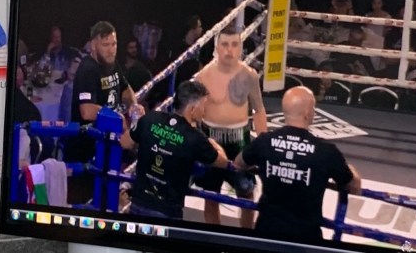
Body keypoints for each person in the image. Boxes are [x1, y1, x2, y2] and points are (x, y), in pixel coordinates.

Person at [236, 86, 361, 244]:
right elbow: (353, 186)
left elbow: (238, 164)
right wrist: (352, 170)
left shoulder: (264, 142)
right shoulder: (325, 151)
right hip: (305, 237)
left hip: (266, 231)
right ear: (308, 113)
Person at [194, 28, 267, 228]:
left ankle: (245, 238)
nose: (229, 50)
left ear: (241, 48)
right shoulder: (203, 76)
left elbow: (259, 110)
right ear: (217, 48)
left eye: (234, 45)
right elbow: (194, 113)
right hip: (211, 138)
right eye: (225, 44)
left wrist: (263, 146)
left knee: (247, 194)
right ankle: (214, 239)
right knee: (210, 195)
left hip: (240, 139)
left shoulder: (249, 75)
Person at [128, 81, 228, 220]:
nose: (204, 111)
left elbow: (125, 142)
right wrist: (212, 142)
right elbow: (223, 162)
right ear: (192, 109)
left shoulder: (150, 118)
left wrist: (136, 121)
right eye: (203, 106)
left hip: (139, 203)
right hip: (168, 211)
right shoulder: (195, 138)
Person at [65, 21, 136, 203]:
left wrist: (134, 106)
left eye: (114, 44)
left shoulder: (112, 63)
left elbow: (125, 88)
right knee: (90, 202)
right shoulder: (87, 70)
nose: (111, 50)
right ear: (93, 45)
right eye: (106, 45)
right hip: (87, 148)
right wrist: (116, 117)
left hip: (108, 143)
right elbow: (87, 111)